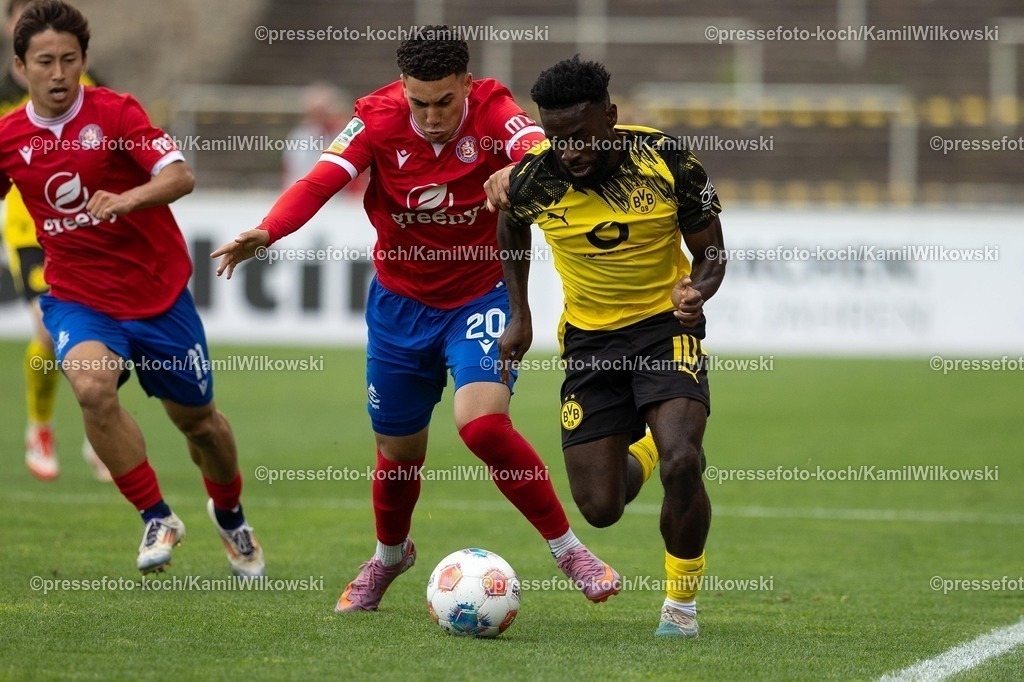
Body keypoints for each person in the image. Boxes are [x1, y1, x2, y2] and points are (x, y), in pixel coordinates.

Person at [213, 28, 620, 611]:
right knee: (400, 452)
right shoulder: (375, 118)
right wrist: (269, 230)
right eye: (418, 102)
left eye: (444, 102)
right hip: (399, 304)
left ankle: (568, 550)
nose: (430, 117)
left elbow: (541, 149)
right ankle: (389, 556)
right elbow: (320, 180)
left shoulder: (495, 109)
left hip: (481, 298)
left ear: (467, 85)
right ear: (402, 89)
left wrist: (521, 170)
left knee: (482, 426)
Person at [0, 0, 264, 577]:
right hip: (78, 296)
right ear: (21, 66)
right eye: (45, 61)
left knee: (200, 425)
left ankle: (230, 515)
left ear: (84, 58)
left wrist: (128, 199)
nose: (59, 73)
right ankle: (157, 516)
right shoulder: (9, 136)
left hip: (157, 296)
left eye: (69, 59)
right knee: (92, 389)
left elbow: (180, 175)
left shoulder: (116, 112)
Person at [497, 56, 727, 638]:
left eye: (581, 135)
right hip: (589, 343)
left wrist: (696, 293)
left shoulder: (667, 161)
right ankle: (649, 448)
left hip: (664, 330)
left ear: (611, 116)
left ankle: (680, 607)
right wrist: (520, 316)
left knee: (683, 462)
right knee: (601, 508)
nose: (570, 151)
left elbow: (712, 254)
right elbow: (511, 224)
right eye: (557, 138)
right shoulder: (534, 179)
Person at [0, 0, 107, 481]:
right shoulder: (4, 94)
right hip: (30, 230)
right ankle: (40, 426)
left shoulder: (89, 82)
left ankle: (102, 428)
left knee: (104, 330)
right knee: (48, 329)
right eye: (18, 11)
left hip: (84, 226)